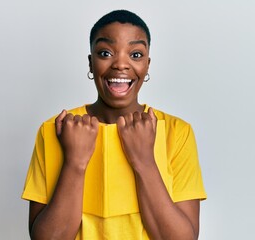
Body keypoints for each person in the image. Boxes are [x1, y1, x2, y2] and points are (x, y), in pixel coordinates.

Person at [22, 9, 207, 240]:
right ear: (91, 63)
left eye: (136, 55)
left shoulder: (177, 132)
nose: (121, 64)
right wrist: (75, 161)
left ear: (147, 65)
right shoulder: (56, 129)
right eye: (105, 52)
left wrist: (144, 161)